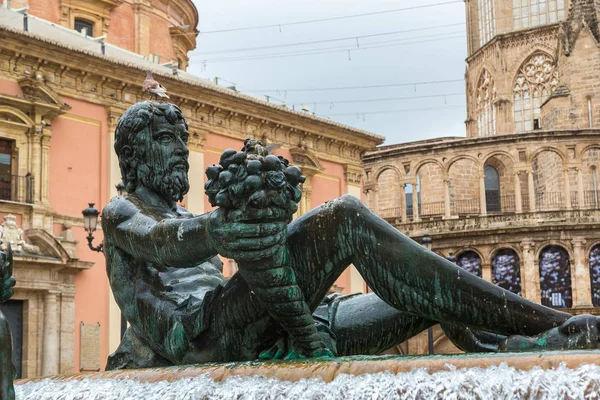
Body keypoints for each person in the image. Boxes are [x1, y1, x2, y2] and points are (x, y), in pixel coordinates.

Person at [102, 101, 600, 369]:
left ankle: (519, 343)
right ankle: (551, 323)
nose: (178, 153)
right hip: (204, 336)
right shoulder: (121, 212)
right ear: (136, 151)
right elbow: (161, 241)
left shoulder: (181, 211)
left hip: (266, 323)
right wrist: (219, 227)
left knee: (421, 295)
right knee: (341, 215)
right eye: (168, 141)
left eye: (182, 141)